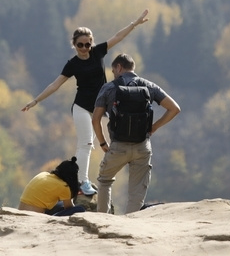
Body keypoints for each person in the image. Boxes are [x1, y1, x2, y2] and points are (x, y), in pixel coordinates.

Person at [21, 10, 149, 196]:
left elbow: (117, 37)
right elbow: (55, 85)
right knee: (86, 144)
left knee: (94, 143)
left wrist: (134, 24)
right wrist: (35, 101)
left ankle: (84, 180)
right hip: (81, 107)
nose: (85, 48)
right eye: (80, 45)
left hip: (99, 107)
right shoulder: (72, 64)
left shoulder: (97, 53)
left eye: (88, 44)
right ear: (74, 45)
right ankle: (83, 182)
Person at [92, 53, 181, 214]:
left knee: (105, 180)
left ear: (119, 67)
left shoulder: (109, 87)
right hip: (142, 146)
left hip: (118, 146)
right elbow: (174, 109)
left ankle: (102, 220)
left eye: (113, 71)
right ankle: (131, 223)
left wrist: (103, 142)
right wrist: (154, 127)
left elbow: (95, 119)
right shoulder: (149, 86)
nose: (113, 74)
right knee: (137, 190)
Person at [18, 157, 86, 216]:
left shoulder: (44, 174)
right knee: (80, 209)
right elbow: (68, 207)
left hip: (21, 211)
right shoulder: (64, 186)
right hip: (33, 216)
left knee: (60, 204)